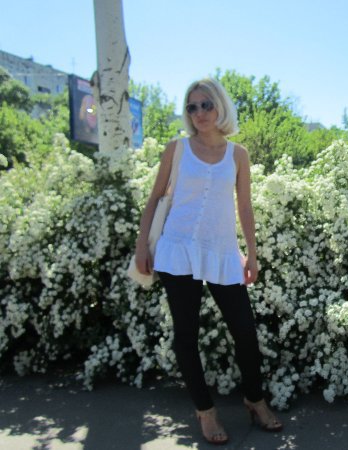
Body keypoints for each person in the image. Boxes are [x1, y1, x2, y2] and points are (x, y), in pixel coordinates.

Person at [134, 77, 282, 445]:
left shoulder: (238, 154)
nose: (199, 113)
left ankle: (255, 400)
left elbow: (244, 206)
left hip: (222, 252)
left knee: (245, 332)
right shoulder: (177, 149)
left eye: (206, 104)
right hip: (177, 249)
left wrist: (252, 253)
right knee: (186, 335)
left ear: (220, 107)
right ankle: (205, 410)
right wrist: (142, 247)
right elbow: (154, 198)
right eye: (192, 107)